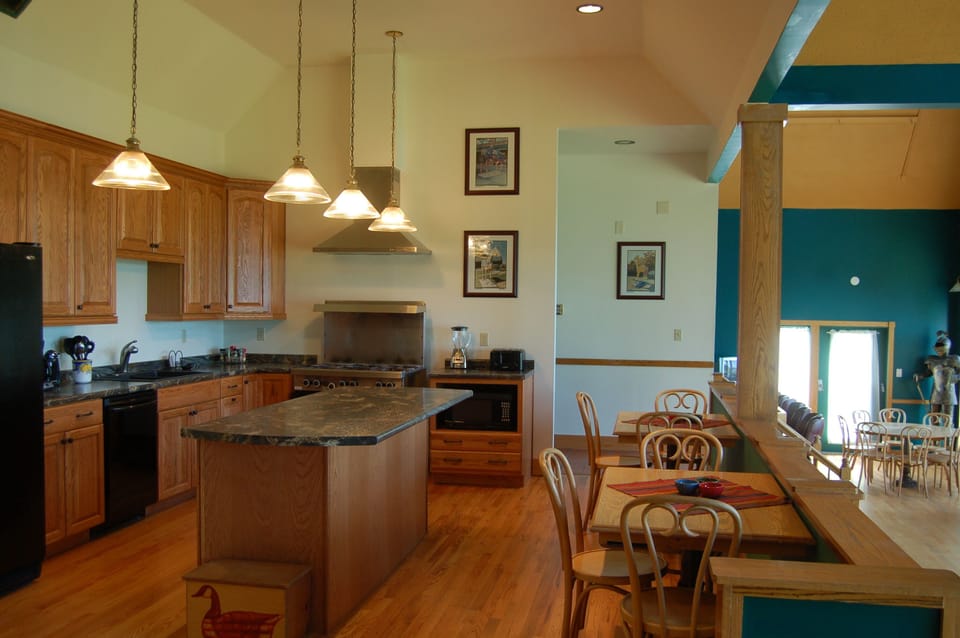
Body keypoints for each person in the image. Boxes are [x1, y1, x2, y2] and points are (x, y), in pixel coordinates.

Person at [914, 331, 960, 420]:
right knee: (934, 417)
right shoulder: (932, 360)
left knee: (948, 418)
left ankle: (947, 434)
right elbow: (928, 373)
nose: (939, 350)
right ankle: (935, 433)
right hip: (936, 391)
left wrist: (955, 378)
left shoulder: (954, 359)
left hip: (949, 391)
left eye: (941, 348)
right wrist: (919, 376)